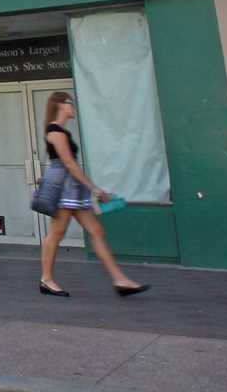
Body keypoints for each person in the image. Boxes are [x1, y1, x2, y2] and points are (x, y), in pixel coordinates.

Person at [38, 91, 147, 298]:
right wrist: (93, 188)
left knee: (96, 231)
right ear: (61, 105)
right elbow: (69, 163)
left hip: (73, 189)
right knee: (57, 232)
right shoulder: (55, 131)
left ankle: (120, 280)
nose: (73, 108)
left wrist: (89, 188)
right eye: (71, 103)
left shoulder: (61, 131)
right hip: (65, 189)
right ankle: (46, 279)